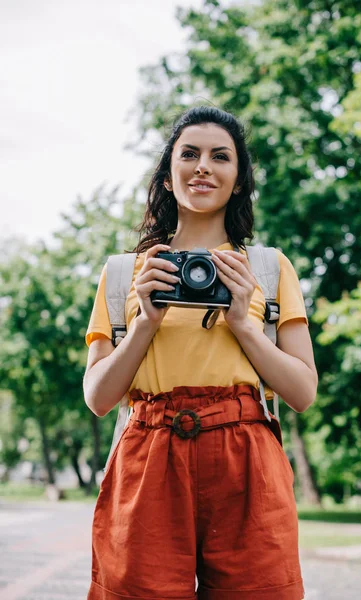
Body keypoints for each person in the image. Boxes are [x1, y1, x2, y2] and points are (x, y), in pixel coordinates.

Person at [83, 106, 318, 600]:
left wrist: (243, 323)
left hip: (245, 455)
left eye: (221, 156)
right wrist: (146, 321)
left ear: (238, 180)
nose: (203, 166)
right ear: (169, 177)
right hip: (148, 454)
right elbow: (99, 399)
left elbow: (301, 392)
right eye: (188, 154)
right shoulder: (127, 273)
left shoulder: (269, 270)